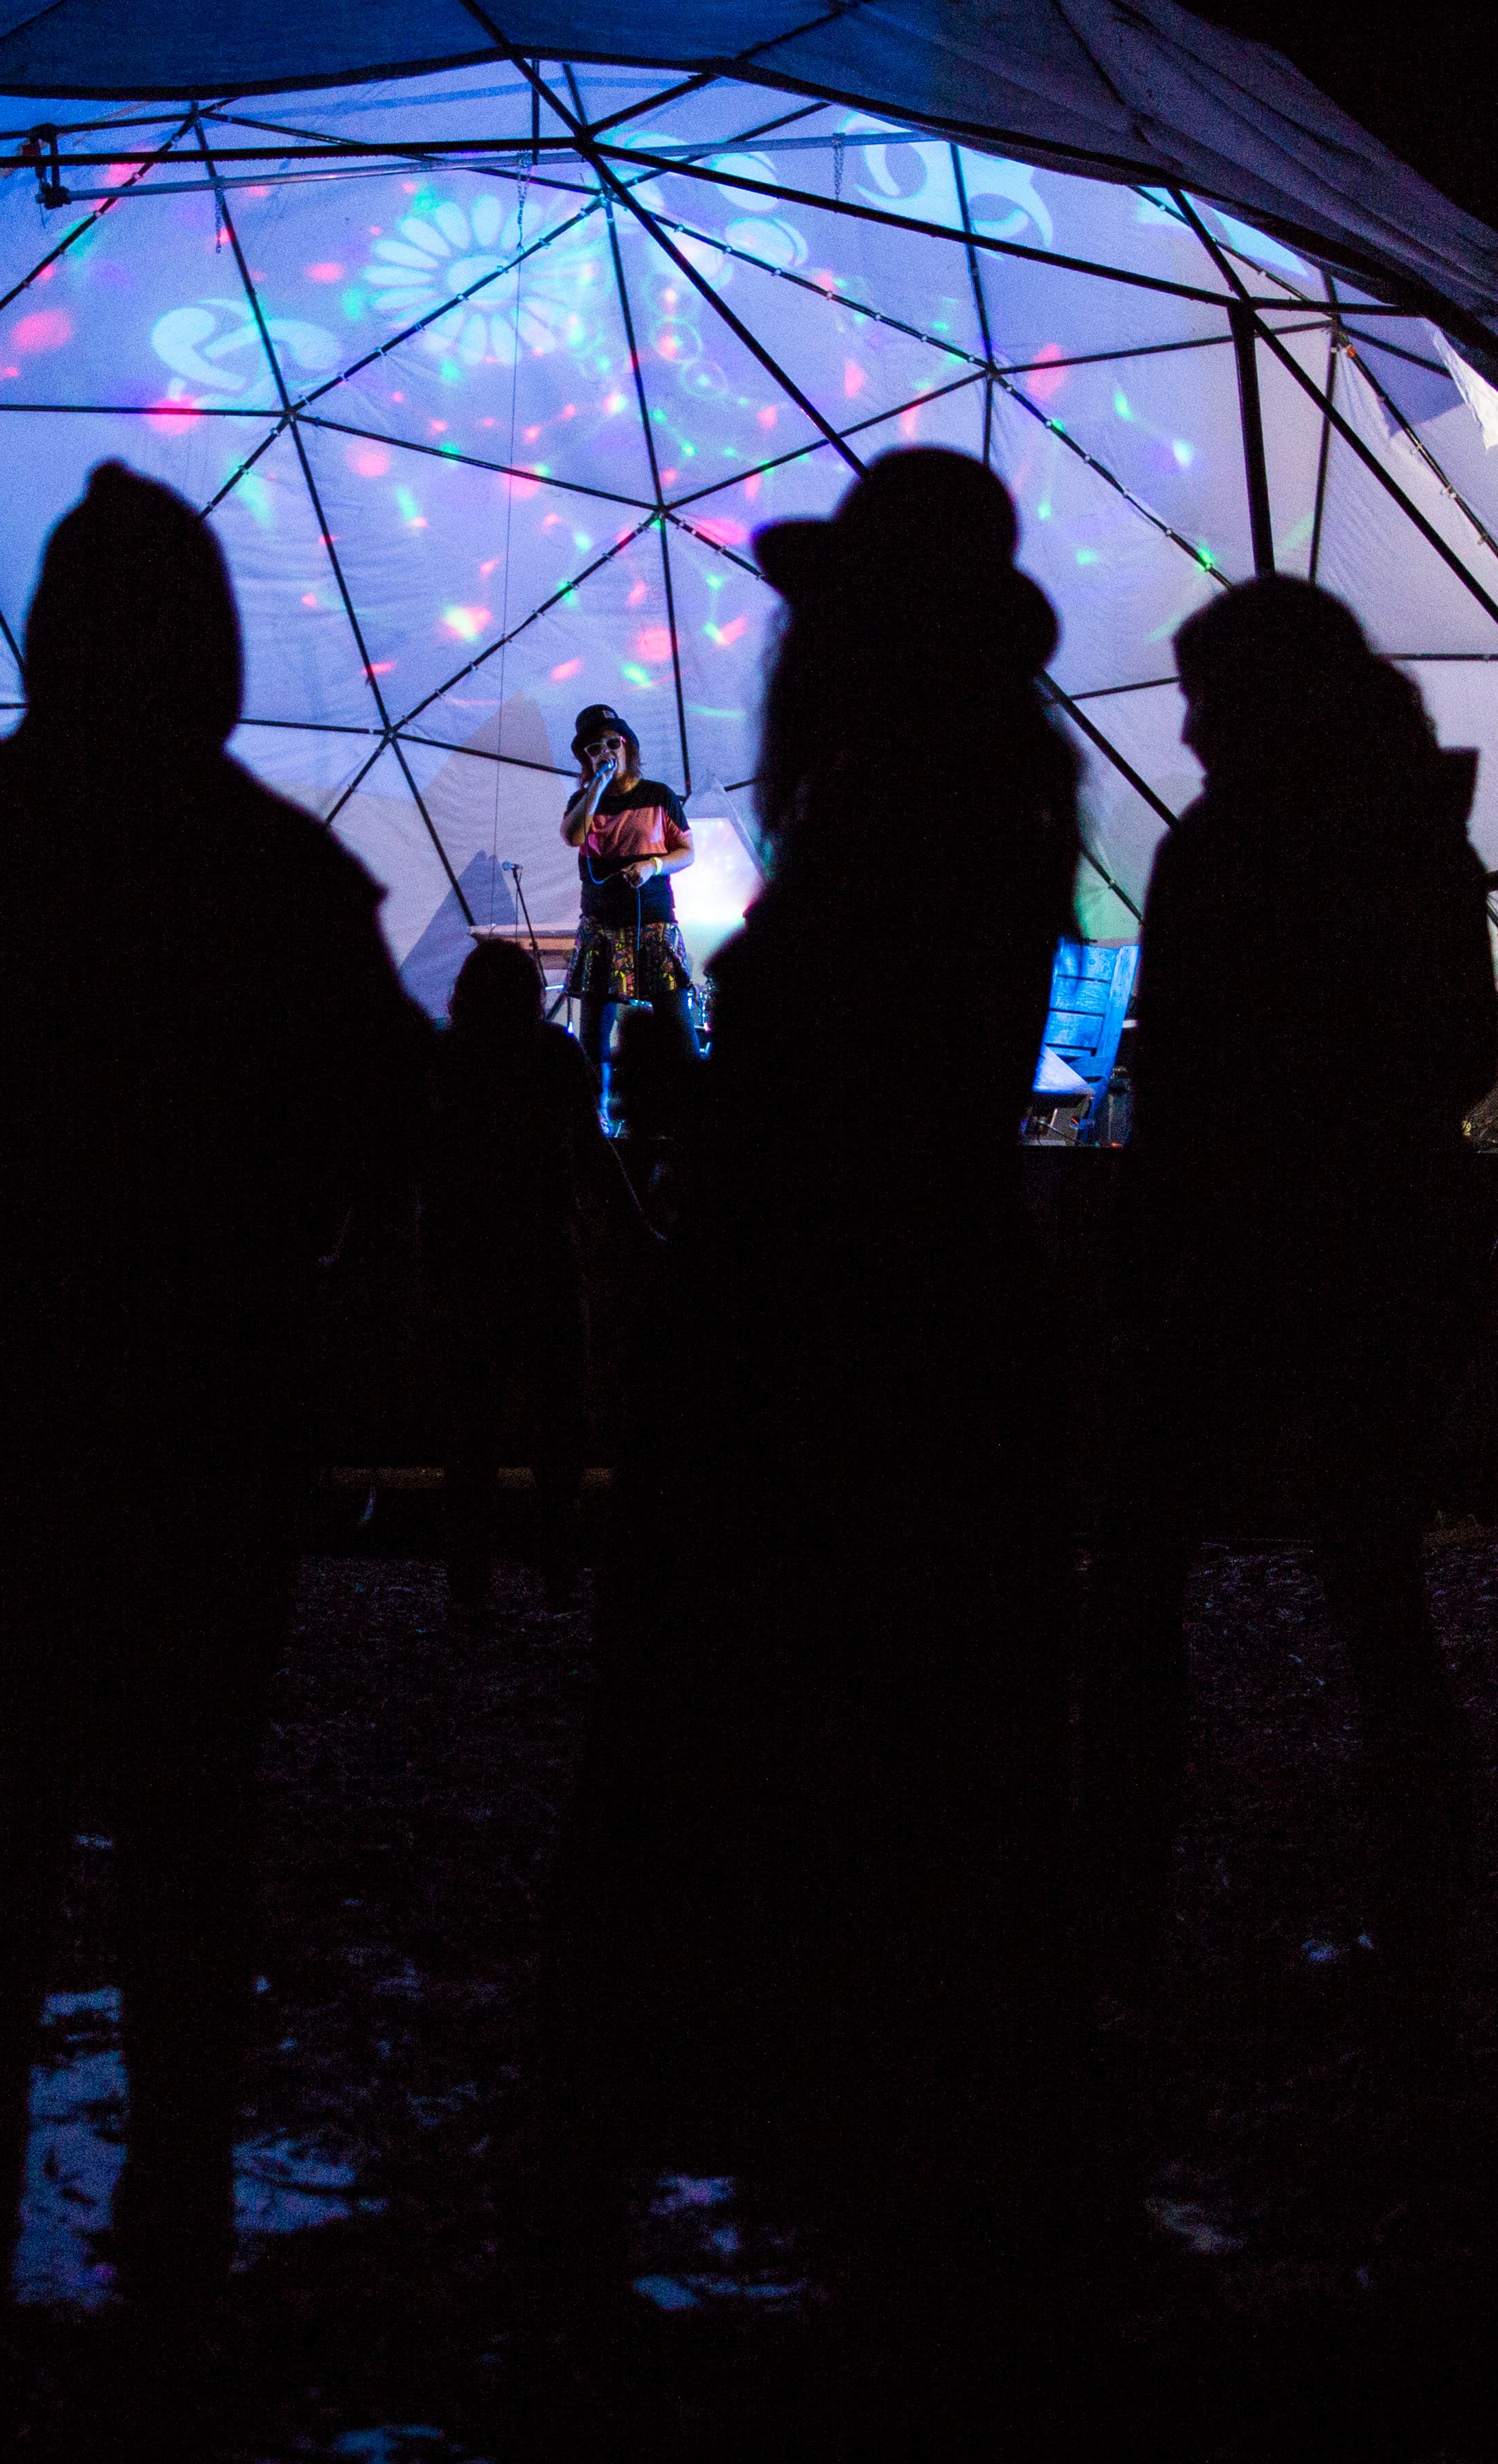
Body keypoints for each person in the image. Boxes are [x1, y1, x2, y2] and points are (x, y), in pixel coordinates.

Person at [0, 463, 428, 2332]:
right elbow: (386, 1121)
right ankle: (177, 2203)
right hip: (208, 1404)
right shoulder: (278, 869)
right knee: (193, 1815)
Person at [535, 448, 1083, 2366]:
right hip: (930, 1331)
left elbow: (812, 1090)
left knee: (726, 1730)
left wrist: (696, 1096)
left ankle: (682, 2185)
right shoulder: (996, 793)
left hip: (813, 1343)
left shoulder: (899, 811)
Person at [1079, 578, 1498, 1985]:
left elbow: (1183, 1085)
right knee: (1370, 1566)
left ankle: (1120, 1863)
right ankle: (1428, 1858)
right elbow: (1462, 1054)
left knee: (1145, 1555)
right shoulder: (1413, 835)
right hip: (1387, 1246)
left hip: (1247, 1257)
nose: (1184, 730)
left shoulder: (1223, 855)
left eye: (1202, 698)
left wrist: (1143, 1253)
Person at [423, 938, 596, 1617]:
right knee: (562, 1425)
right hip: (548, 1263)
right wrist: (642, 1228)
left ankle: (469, 1581)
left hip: (466, 1267)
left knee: (472, 1431)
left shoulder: (445, 1061)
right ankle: (557, 1566)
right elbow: (592, 1157)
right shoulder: (556, 1057)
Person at [557, 705, 699, 1093]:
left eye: (612, 743)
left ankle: (689, 1105)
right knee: (594, 1030)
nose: (605, 752)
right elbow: (572, 836)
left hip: (652, 922)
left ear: (627, 746)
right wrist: (596, 787)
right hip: (601, 925)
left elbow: (686, 852)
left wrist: (654, 865)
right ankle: (595, 1110)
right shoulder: (583, 802)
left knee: (675, 1020)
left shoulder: (658, 795)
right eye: (594, 748)